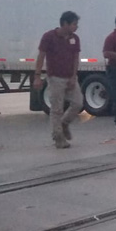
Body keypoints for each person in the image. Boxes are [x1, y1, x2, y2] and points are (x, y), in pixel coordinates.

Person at [35, 11, 83, 149]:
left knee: (78, 103)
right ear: (65, 24)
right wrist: (37, 76)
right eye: (74, 24)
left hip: (70, 77)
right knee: (57, 109)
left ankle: (65, 123)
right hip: (55, 78)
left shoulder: (75, 39)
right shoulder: (49, 37)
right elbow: (41, 56)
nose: (76, 27)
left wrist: (74, 76)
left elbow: (75, 58)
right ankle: (58, 137)